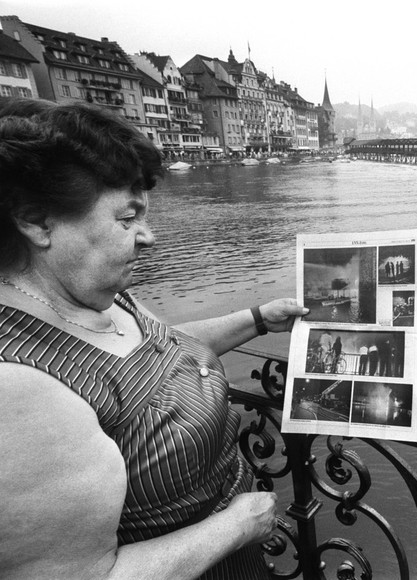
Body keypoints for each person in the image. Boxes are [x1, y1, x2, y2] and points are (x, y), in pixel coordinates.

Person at [0, 98, 309, 579]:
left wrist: (259, 318)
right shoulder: (18, 387)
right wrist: (238, 526)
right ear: (38, 222)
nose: (149, 236)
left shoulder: (95, 296)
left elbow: (160, 348)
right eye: (127, 218)